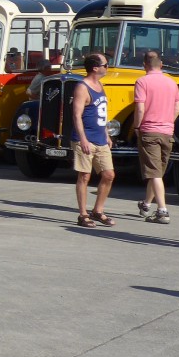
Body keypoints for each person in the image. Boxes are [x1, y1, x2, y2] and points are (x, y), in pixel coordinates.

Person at [134, 49, 179, 225]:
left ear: (144, 65)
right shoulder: (171, 83)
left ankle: (162, 210)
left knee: (154, 173)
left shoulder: (142, 82)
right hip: (167, 131)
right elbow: (177, 109)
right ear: (161, 64)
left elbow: (140, 108)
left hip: (149, 131)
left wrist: (137, 126)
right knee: (157, 172)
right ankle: (146, 204)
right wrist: (167, 121)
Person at [70, 53, 115, 227]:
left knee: (109, 175)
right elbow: (76, 115)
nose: (107, 67)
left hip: (100, 139)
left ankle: (98, 210)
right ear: (95, 68)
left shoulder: (99, 85)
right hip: (86, 139)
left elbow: (100, 113)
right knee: (84, 176)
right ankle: (83, 214)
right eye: (105, 64)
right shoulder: (82, 87)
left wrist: (107, 134)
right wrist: (83, 139)